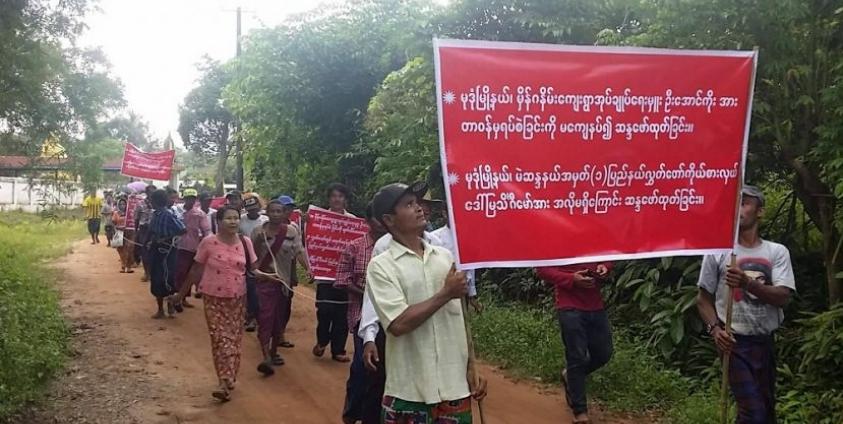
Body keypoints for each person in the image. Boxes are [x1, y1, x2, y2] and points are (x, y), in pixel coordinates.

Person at [366, 182, 486, 423]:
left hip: (455, 388)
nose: (419, 208)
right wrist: (445, 294)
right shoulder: (382, 266)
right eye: (409, 204)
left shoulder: (445, 257)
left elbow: (460, 319)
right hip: (409, 391)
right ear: (389, 220)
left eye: (418, 202)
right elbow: (398, 324)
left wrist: (473, 368)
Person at [697, 185, 795, 424]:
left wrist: (747, 283)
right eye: (735, 203)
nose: (738, 209)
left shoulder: (776, 252)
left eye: (745, 203)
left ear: (760, 211)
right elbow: (702, 299)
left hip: (764, 340)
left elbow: (783, 296)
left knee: (765, 412)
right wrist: (715, 329)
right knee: (754, 414)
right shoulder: (719, 252)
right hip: (733, 343)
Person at [184, 206, 257, 402]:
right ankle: (224, 381)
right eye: (228, 218)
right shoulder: (208, 242)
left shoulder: (245, 242)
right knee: (220, 338)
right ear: (219, 221)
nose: (233, 222)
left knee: (234, 339)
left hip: (238, 298)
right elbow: (196, 269)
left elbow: (254, 270)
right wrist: (181, 294)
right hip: (212, 298)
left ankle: (230, 375)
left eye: (235, 218)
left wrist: (273, 277)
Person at [536, 261, 614, 424]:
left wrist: (605, 267)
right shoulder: (554, 239)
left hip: (594, 305)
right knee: (576, 356)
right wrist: (571, 278)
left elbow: (608, 255)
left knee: (604, 353)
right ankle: (580, 412)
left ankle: (570, 375)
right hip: (569, 306)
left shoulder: (595, 236)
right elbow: (543, 270)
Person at [335, 203, 387, 424]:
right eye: (377, 219)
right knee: (361, 367)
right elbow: (341, 280)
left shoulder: (394, 247)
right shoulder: (354, 247)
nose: (381, 224)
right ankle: (351, 411)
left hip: (390, 318)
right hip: (360, 315)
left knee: (382, 371)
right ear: (368, 222)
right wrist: (368, 292)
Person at [250, 196, 312, 375]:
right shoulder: (257, 232)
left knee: (278, 320)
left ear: (284, 213)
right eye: (272, 211)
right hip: (264, 282)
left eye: (279, 211)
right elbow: (252, 258)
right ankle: (265, 356)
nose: (276, 214)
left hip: (283, 283)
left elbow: (299, 251)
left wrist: (308, 269)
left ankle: (274, 351)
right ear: (267, 213)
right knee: (265, 318)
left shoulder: (292, 231)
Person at [312, 183, 355, 362]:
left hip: (345, 276)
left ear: (345, 199)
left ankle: (338, 350)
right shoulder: (319, 219)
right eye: (334, 196)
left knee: (342, 314)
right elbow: (313, 244)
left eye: (340, 196)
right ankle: (322, 341)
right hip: (324, 276)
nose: (337, 199)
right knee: (324, 311)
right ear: (329, 199)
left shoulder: (353, 222)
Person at [147, 189, 186, 319]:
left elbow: (182, 229)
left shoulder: (168, 214)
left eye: (152, 200)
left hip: (167, 251)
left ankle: (170, 306)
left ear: (156, 201)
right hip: (156, 250)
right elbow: (151, 230)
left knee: (167, 278)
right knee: (156, 278)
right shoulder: (155, 214)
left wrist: (165, 239)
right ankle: (160, 309)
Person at [172, 188, 210, 310]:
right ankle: (177, 297)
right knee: (179, 273)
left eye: (193, 199)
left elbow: (206, 230)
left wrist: (208, 243)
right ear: (184, 198)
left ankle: (183, 298)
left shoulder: (199, 214)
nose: (190, 201)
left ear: (195, 200)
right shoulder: (176, 211)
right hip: (178, 246)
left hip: (194, 247)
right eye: (188, 198)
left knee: (190, 274)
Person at [135, 185, 156, 281]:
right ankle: (146, 273)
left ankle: (152, 272)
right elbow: (136, 218)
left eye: (154, 193)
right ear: (147, 193)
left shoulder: (158, 204)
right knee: (144, 252)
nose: (152, 194)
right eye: (151, 192)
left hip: (155, 230)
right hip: (144, 230)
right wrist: (136, 231)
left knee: (153, 252)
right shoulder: (140, 204)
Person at [112, 196, 135, 273]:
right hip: (119, 232)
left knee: (129, 249)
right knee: (120, 250)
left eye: (124, 204)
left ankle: (128, 267)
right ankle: (123, 265)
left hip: (129, 233)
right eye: (121, 204)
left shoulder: (130, 213)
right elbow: (114, 223)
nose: (122, 206)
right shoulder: (116, 213)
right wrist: (116, 229)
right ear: (118, 205)